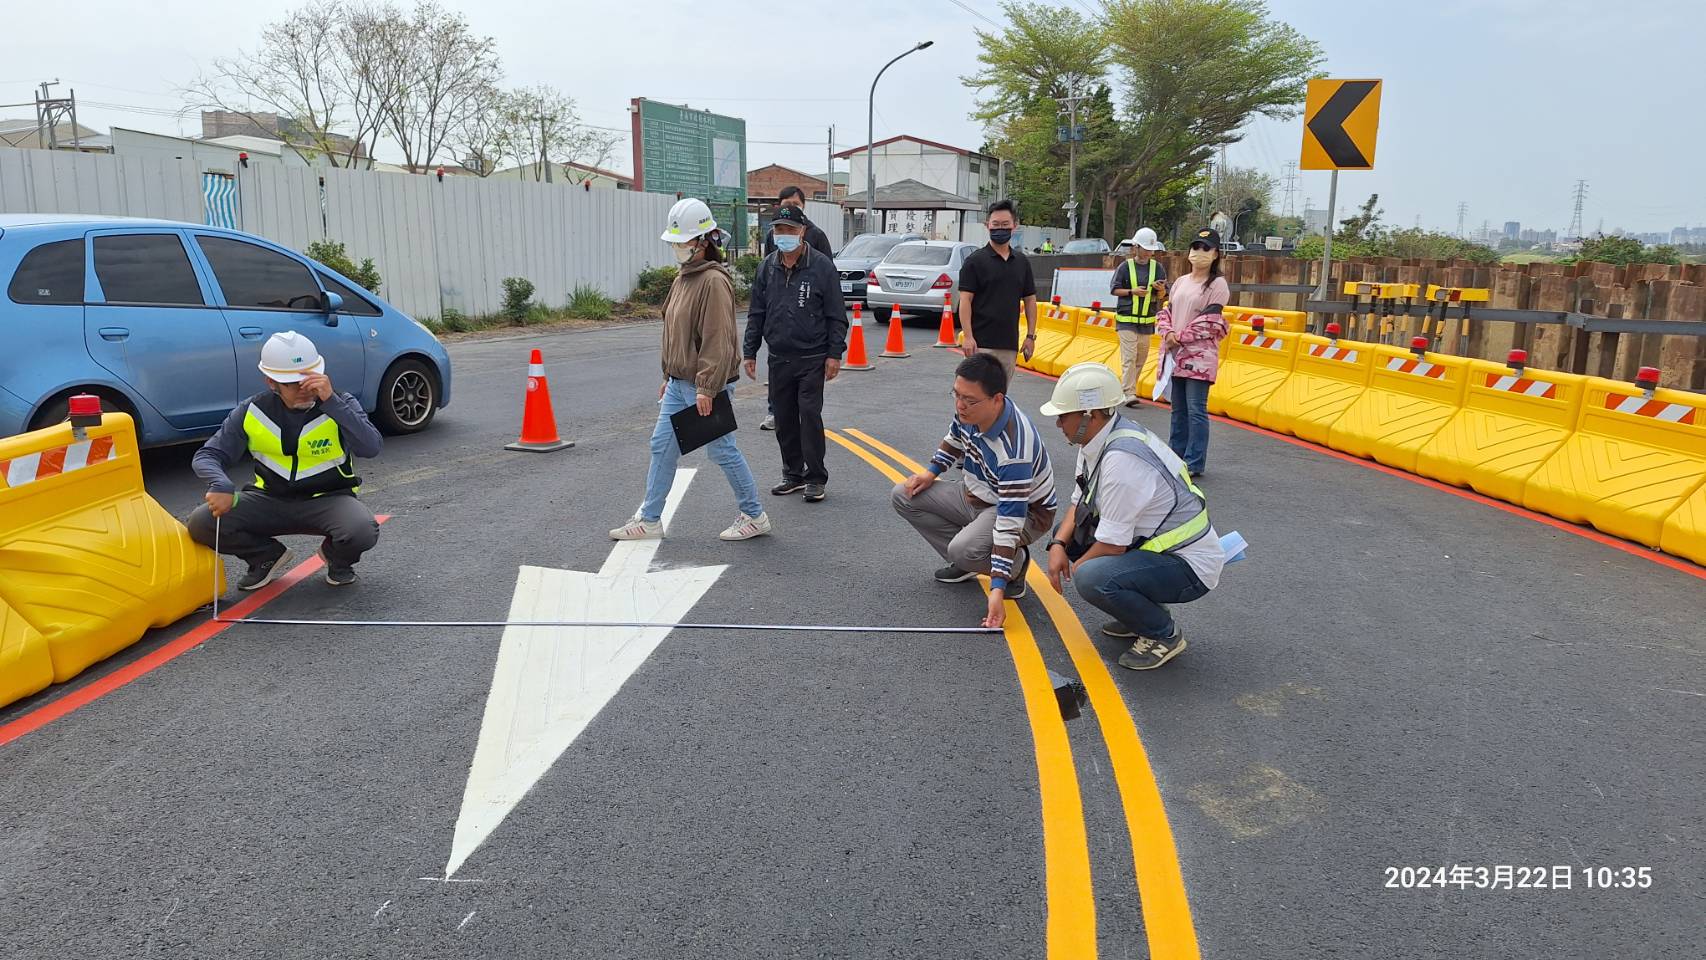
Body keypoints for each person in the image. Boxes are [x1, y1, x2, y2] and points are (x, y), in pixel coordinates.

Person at [1040, 362, 1224, 670]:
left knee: (1092, 577)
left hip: (1189, 567)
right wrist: (1057, 545)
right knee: (1071, 535)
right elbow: (1079, 503)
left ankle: (1163, 634)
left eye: (1063, 416)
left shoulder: (1122, 461)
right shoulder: (1096, 442)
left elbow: (1111, 547)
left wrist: (1083, 574)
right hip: (1157, 551)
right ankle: (1136, 610)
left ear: (1090, 415)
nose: (1059, 424)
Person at [610, 197, 771, 543]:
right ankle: (650, 519)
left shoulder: (713, 281)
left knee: (722, 450)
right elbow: (674, 330)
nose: (676, 247)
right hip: (680, 383)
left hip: (705, 385)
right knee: (661, 446)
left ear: (703, 241)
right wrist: (668, 375)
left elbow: (718, 338)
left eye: (682, 241)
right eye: (675, 242)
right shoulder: (685, 277)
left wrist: (706, 387)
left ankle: (754, 515)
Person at [186, 331, 382, 589]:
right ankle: (265, 557)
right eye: (292, 384)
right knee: (202, 523)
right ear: (271, 382)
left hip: (328, 500)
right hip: (268, 499)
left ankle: (338, 559)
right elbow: (208, 454)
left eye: (308, 380)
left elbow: (370, 447)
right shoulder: (252, 410)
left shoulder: (340, 404)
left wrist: (332, 402)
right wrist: (220, 484)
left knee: (361, 529)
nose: (304, 390)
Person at [892, 352, 1058, 629]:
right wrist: (931, 472)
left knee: (963, 549)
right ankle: (972, 557)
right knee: (903, 494)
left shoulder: (1015, 450)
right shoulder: (968, 411)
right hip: (976, 494)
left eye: (968, 400)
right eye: (956, 395)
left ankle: (1013, 567)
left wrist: (997, 587)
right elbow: (954, 439)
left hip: (1025, 512)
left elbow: (1009, 521)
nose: (960, 405)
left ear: (997, 399)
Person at [744, 205, 848, 503]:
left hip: (812, 357)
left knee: (809, 414)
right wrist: (750, 351)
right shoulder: (767, 267)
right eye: (779, 230)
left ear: (802, 232)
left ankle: (816, 477)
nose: (784, 235)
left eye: (790, 230)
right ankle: (793, 473)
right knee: (784, 417)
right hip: (779, 357)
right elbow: (757, 312)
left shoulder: (821, 266)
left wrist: (834, 354)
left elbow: (836, 315)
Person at [759, 186, 834, 431]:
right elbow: (769, 274)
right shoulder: (773, 237)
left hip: (810, 327)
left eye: (795, 203)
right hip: (780, 322)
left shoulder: (817, 236)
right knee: (779, 374)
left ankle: (810, 453)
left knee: (808, 405)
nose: (790, 207)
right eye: (785, 203)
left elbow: (828, 283)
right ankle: (775, 412)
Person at [1157, 228, 1230, 478]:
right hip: (1176, 354)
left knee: (1196, 408)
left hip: (1199, 357)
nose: (1199, 253)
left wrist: (1180, 336)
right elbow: (1167, 311)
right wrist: (1168, 333)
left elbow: (1210, 321)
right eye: (1196, 248)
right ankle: (1175, 455)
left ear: (1216, 254)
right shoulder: (1180, 282)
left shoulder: (1217, 284)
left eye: (1205, 249)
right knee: (1178, 409)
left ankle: (1194, 460)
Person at [958, 199, 1039, 386]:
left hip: (1009, 346)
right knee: (974, 397)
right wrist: (968, 337)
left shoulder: (1021, 262)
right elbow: (965, 300)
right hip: (980, 345)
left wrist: (1030, 337)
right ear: (987, 225)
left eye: (1005, 225)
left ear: (1014, 226)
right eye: (995, 225)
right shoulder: (975, 262)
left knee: (999, 399)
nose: (1000, 229)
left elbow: (1030, 300)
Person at [1110, 226, 1168, 407]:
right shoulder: (1125, 267)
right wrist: (1132, 292)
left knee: (1140, 358)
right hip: (1126, 320)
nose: (1149, 252)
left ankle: (1127, 389)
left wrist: (1160, 289)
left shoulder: (1157, 268)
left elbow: (1162, 296)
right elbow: (1114, 290)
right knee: (1129, 357)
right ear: (1136, 247)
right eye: (1146, 248)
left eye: (1151, 250)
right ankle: (1129, 393)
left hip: (1146, 323)